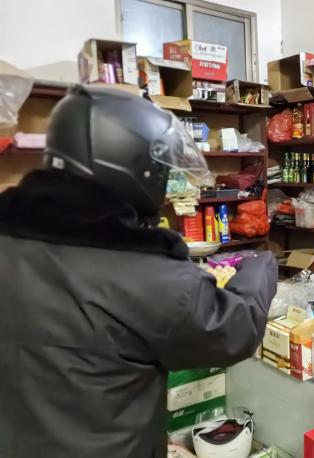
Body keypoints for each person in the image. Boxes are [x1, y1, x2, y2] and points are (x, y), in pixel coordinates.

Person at [0, 86, 277, 457]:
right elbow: (234, 329)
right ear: (132, 166)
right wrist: (260, 265)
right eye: (160, 168)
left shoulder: (13, 233)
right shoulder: (145, 272)